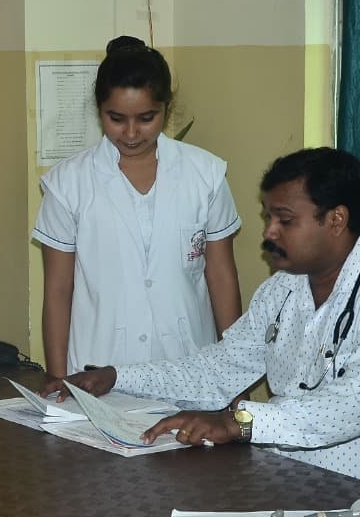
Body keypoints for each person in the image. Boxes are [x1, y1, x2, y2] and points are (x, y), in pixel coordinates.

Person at [50, 147, 360, 482]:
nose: (269, 233)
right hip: (291, 486)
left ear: (336, 220)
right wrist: (117, 377)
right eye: (268, 217)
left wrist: (239, 421)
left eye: (285, 220)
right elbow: (218, 370)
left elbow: (359, 403)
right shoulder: (283, 288)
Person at [33, 36, 242, 379]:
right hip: (97, 368)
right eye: (116, 118)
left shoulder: (206, 175)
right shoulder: (67, 184)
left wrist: (235, 379)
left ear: (166, 108)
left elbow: (221, 276)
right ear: (99, 110)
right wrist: (59, 382)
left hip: (188, 365)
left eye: (146, 118)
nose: (131, 133)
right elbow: (57, 290)